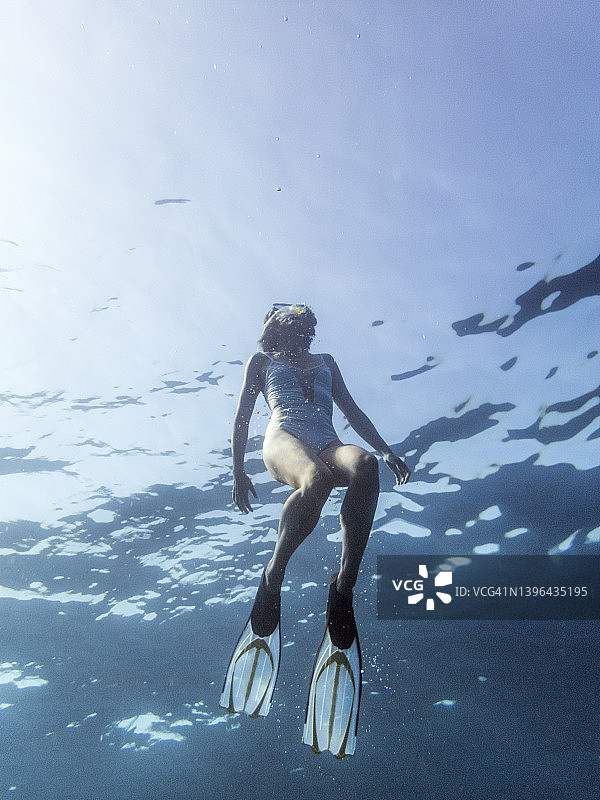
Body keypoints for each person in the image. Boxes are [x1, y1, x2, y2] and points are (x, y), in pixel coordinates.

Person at [220, 303, 410, 758]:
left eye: (309, 324)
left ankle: (343, 586)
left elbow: (352, 410)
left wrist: (383, 450)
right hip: (283, 438)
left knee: (362, 466)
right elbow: (244, 417)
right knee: (318, 480)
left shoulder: (327, 363)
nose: (307, 328)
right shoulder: (261, 362)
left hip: (327, 439)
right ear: (277, 327)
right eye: (296, 322)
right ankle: (273, 576)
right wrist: (237, 472)